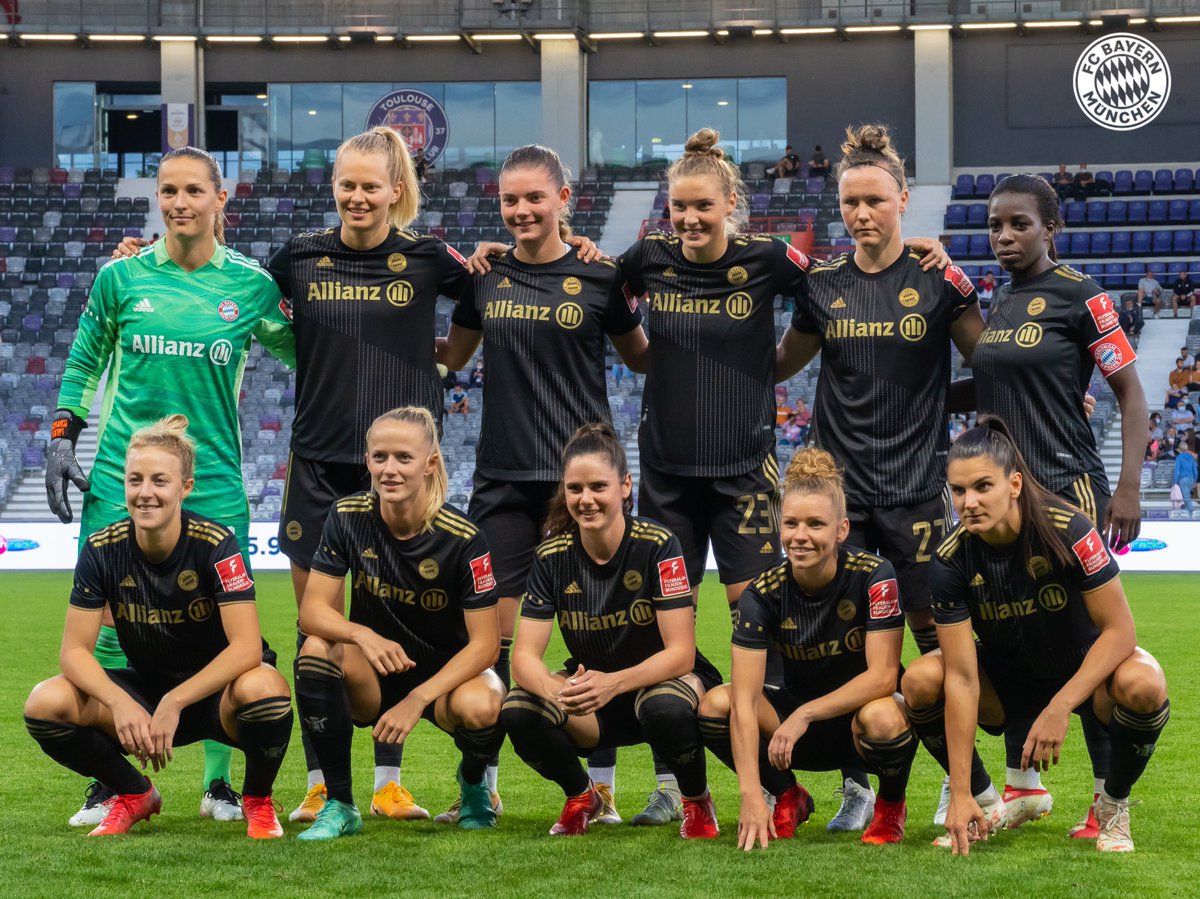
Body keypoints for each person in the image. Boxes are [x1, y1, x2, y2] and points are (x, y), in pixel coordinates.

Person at [48, 145, 295, 827]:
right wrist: (63, 434)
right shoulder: (121, 278)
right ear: (157, 199)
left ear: (222, 199)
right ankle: (113, 781)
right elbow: (84, 358)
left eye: (193, 190)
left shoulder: (249, 286)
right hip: (122, 483)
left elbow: (307, 350)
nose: (179, 202)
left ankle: (218, 784)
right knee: (102, 634)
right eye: (168, 191)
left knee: (219, 632)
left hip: (211, 483)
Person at [775, 123, 981, 830]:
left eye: (874, 200)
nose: (861, 214)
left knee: (934, 644)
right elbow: (778, 366)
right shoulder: (822, 286)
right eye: (849, 202)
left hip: (919, 491)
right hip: (840, 501)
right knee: (848, 640)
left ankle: (975, 782)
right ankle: (860, 785)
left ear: (902, 199)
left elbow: (991, 367)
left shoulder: (939, 282)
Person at [439, 144, 648, 824]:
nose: (522, 210)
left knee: (598, 633)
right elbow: (453, 356)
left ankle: (604, 785)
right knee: (492, 647)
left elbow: (642, 356)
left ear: (566, 200)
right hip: (501, 481)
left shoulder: (600, 275)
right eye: (510, 200)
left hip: (580, 483)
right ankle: (481, 785)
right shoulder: (485, 276)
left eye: (535, 197)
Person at [902, 418, 1170, 854]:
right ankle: (984, 799)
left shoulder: (1071, 529)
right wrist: (961, 790)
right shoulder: (949, 560)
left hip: (1083, 679)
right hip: (1005, 687)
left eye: (982, 487)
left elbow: (1120, 633)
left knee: (1145, 683)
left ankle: (1113, 806)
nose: (968, 502)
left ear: (1014, 484)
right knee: (920, 679)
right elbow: (962, 678)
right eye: (958, 491)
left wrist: (1060, 706)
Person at [979, 174, 1149, 837]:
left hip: (1066, 490)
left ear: (1052, 228)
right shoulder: (1000, 299)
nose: (1004, 236)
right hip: (1004, 503)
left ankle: (1112, 805)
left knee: (1087, 643)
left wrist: (1128, 484)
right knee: (1014, 637)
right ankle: (1024, 786)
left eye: (1019, 223)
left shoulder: (1084, 297)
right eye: (995, 225)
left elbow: (1130, 394)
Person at [25, 416, 293, 838]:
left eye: (159, 481)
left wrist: (175, 701)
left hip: (218, 697)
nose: (145, 493)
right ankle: (134, 793)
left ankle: (258, 799)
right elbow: (73, 652)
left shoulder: (216, 543)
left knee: (265, 688)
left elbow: (246, 649)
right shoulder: (101, 549)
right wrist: (118, 701)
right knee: (46, 702)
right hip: (147, 693)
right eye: (135, 480)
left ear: (185, 487)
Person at [292, 407, 507, 839]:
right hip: (376, 673)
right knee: (316, 649)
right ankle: (340, 802)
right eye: (379, 457)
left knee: (483, 705)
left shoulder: (464, 536)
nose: (389, 469)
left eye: (403, 458)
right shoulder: (347, 516)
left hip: (447, 682)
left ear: (430, 463)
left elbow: (486, 646)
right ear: (368, 460)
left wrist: (419, 698)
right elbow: (312, 612)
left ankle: (473, 786)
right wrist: (361, 634)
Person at [500, 423, 720, 838]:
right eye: (575, 488)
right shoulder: (550, 557)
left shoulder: (658, 545)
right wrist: (559, 693)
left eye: (598, 486)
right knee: (519, 709)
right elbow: (524, 658)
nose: (586, 500)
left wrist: (613, 683)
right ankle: (584, 796)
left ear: (624, 486)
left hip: (660, 685)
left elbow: (681, 654)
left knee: (663, 706)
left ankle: (696, 801)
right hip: (594, 700)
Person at [698, 448, 918, 849]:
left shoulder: (874, 575)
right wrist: (750, 793)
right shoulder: (761, 592)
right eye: (792, 524)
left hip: (858, 725)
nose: (800, 536)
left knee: (885, 719)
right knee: (717, 703)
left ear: (841, 530)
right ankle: (787, 795)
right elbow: (745, 702)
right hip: (791, 734)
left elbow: (885, 676)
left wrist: (806, 712)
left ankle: (890, 805)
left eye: (816, 524)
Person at [1173, 446, 1197, 513]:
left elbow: (1177, 471)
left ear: (1179, 450)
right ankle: (1186, 513)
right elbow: (1195, 471)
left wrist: (1174, 482)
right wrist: (1195, 480)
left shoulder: (1179, 457)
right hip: (1191, 479)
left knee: (1186, 497)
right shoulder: (1191, 458)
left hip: (1183, 480)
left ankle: (1191, 514)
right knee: (1186, 496)